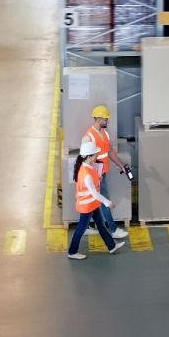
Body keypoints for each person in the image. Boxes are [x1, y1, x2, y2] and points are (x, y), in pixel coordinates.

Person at [68, 140, 125, 260]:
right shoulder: (86, 173)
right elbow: (94, 193)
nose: (96, 156)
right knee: (81, 229)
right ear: (89, 157)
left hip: (91, 204)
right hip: (87, 206)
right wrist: (107, 202)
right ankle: (72, 252)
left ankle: (111, 246)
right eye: (95, 155)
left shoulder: (87, 167)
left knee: (100, 225)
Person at [82, 105, 129, 239]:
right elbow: (84, 159)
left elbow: (109, 152)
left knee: (94, 200)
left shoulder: (104, 133)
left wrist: (121, 166)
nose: (108, 120)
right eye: (106, 118)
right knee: (104, 201)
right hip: (95, 176)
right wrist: (93, 176)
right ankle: (113, 229)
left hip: (102, 174)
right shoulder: (88, 137)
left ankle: (85, 227)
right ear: (98, 119)